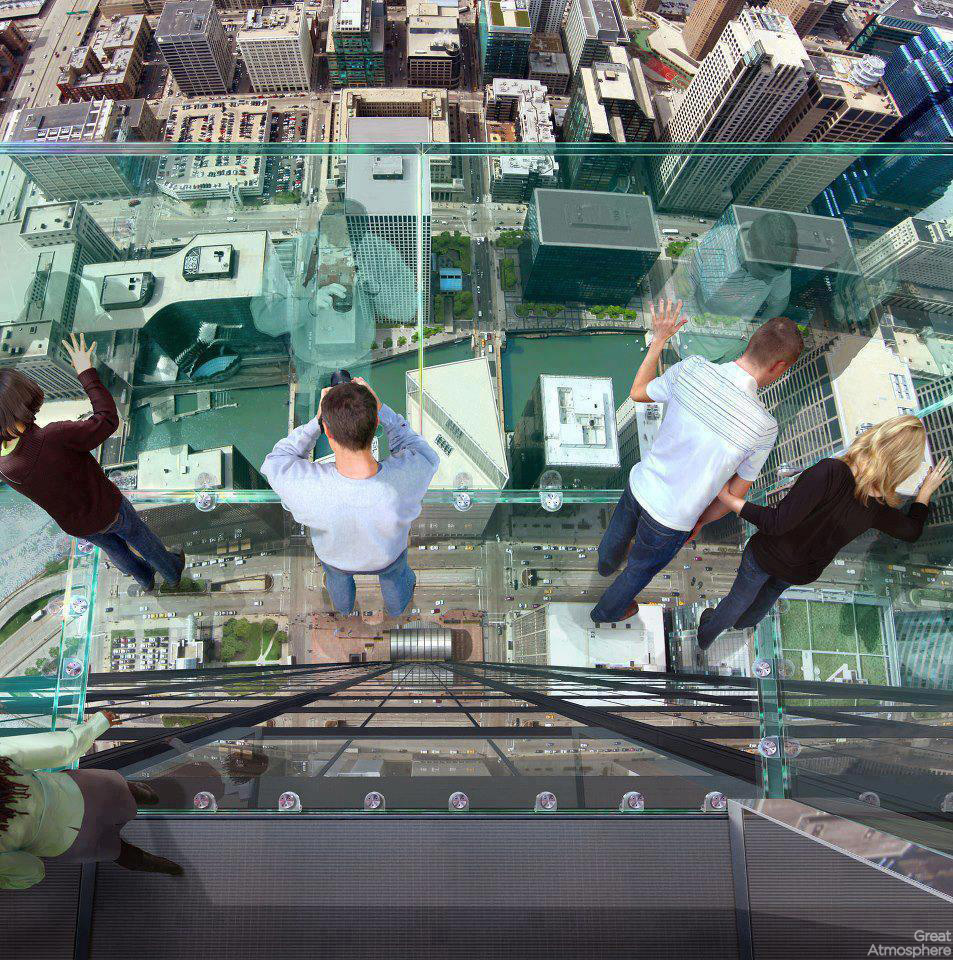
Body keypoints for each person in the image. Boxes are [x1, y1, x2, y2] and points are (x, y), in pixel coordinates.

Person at [590, 300, 803, 624]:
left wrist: (659, 340)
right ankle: (606, 612)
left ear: (751, 343)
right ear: (778, 367)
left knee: (616, 539)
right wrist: (700, 522)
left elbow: (637, 392)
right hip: (673, 520)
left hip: (641, 485)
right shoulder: (764, 427)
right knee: (637, 572)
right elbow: (735, 494)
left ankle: (605, 564)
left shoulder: (692, 368)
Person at [697, 416, 949, 649]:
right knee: (766, 597)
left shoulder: (830, 471)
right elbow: (912, 531)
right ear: (903, 466)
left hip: (767, 554)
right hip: (800, 570)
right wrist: (925, 492)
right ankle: (743, 625)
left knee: (738, 600)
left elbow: (775, 523)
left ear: (876, 437)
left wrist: (728, 498)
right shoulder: (877, 508)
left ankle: (706, 636)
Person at [0, 334, 185, 593]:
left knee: (115, 550)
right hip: (106, 506)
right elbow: (107, 419)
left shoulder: (4, 465)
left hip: (76, 524)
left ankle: (145, 580)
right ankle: (172, 571)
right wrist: (86, 371)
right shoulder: (54, 436)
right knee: (140, 538)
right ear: (20, 400)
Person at [262, 376, 438, 617]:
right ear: (376, 424)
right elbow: (421, 450)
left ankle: (344, 611)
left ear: (327, 433)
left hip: (336, 559)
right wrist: (382, 410)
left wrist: (317, 421)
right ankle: (397, 611)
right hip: (388, 556)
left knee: (338, 585)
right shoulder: (406, 478)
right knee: (395, 581)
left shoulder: (307, 487)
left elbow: (277, 459)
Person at [0, 711, 182, 890]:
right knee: (139, 793)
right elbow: (63, 748)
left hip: (74, 840)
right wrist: (98, 723)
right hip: (87, 790)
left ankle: (172, 869)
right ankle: (170, 800)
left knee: (124, 854)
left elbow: (33, 871)